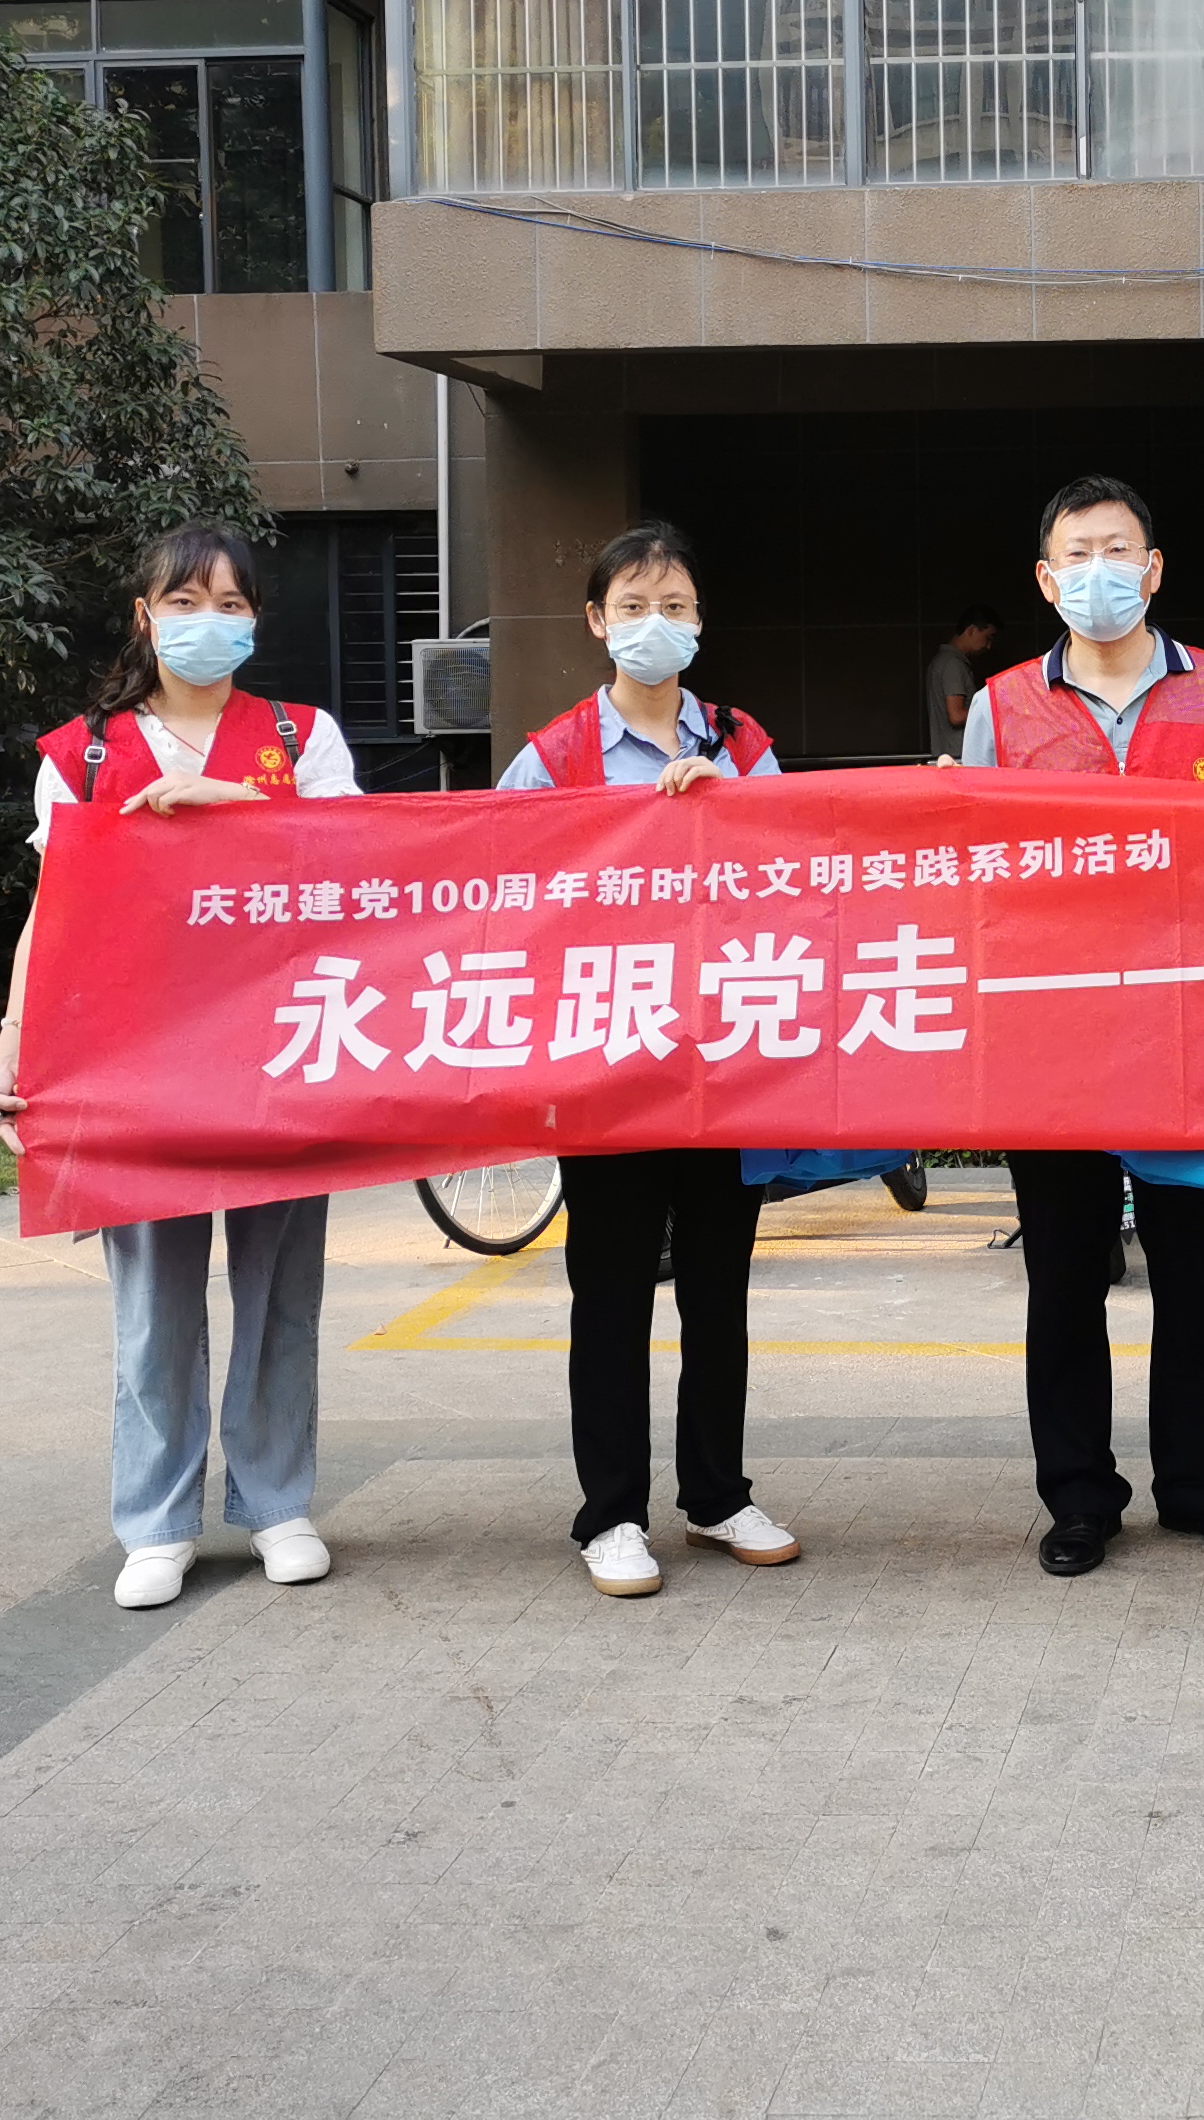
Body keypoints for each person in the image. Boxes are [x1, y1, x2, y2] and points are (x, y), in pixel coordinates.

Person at [0, 523, 361, 1611]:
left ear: (257, 621)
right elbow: (54, 911)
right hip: (136, 1060)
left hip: (284, 1049)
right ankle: (156, 1522)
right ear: (145, 617)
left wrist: (233, 807)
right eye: (186, 602)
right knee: (153, 1300)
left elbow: (357, 871)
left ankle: (278, 1503)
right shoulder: (85, 755)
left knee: (281, 1292)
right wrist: (13, 1043)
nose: (209, 623)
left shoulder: (302, 737)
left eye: (232, 604)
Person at [960, 474, 1204, 1577]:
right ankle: (1078, 1497)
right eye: (1077, 553)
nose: (1098, 571)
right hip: (1053, 1034)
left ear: (1153, 570)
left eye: (1118, 550)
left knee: (1196, 1267)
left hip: (1192, 1030)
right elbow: (969, 872)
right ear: (1045, 579)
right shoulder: (1001, 705)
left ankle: (1198, 1483)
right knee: (1064, 1276)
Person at [496, 519, 804, 1598]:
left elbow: (803, 872)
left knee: (719, 1291)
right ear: (596, 621)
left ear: (700, 622)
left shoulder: (743, 744)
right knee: (613, 1294)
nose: (654, 625)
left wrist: (733, 811)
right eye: (633, 607)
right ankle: (611, 1513)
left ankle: (717, 1496)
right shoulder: (552, 757)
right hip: (609, 1061)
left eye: (673, 607)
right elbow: (503, 891)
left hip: (723, 1059)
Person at [925, 604, 1001, 761]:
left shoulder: (944, 661)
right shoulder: (953, 665)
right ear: (972, 630)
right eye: (988, 637)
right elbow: (956, 715)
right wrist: (993, 709)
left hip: (948, 753)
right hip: (957, 755)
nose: (988, 646)